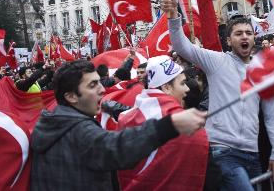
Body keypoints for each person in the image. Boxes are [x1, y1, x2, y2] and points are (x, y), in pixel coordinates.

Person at [162, 0, 274, 190]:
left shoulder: (263, 74)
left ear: (254, 38)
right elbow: (183, 47)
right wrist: (174, 17)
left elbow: (272, 116)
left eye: (248, 33)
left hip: (252, 152)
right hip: (223, 150)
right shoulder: (217, 61)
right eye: (238, 33)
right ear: (228, 41)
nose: (244, 36)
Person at [30, 60, 206, 191]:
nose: (102, 90)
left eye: (99, 82)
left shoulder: (51, 123)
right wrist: (170, 124)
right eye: (92, 85)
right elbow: (117, 148)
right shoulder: (78, 130)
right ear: (71, 97)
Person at [117, 55, 209, 191]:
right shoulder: (182, 123)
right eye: (182, 83)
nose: (187, 89)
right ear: (166, 87)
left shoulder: (125, 117)